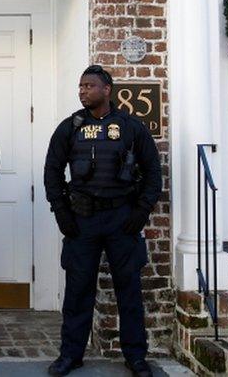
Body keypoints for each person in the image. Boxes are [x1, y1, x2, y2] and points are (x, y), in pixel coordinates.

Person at [44, 65, 161, 377]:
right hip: (82, 220)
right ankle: (71, 354)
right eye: (80, 86)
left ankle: (136, 357)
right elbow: (52, 172)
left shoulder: (131, 127)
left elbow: (153, 174)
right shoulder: (69, 127)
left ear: (107, 89)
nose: (83, 91)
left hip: (123, 219)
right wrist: (62, 213)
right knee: (78, 290)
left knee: (129, 290)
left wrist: (141, 212)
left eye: (89, 86)